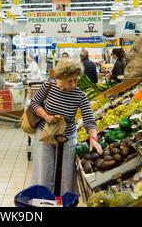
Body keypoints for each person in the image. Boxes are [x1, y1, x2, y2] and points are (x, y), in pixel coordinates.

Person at [30, 59, 101, 195]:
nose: (74, 84)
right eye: (70, 81)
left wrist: (93, 137)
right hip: (45, 135)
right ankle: (45, 199)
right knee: (44, 171)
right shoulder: (48, 86)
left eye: (76, 80)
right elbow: (34, 104)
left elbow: (89, 119)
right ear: (61, 78)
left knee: (67, 174)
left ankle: (64, 201)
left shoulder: (80, 95)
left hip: (67, 137)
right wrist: (45, 116)